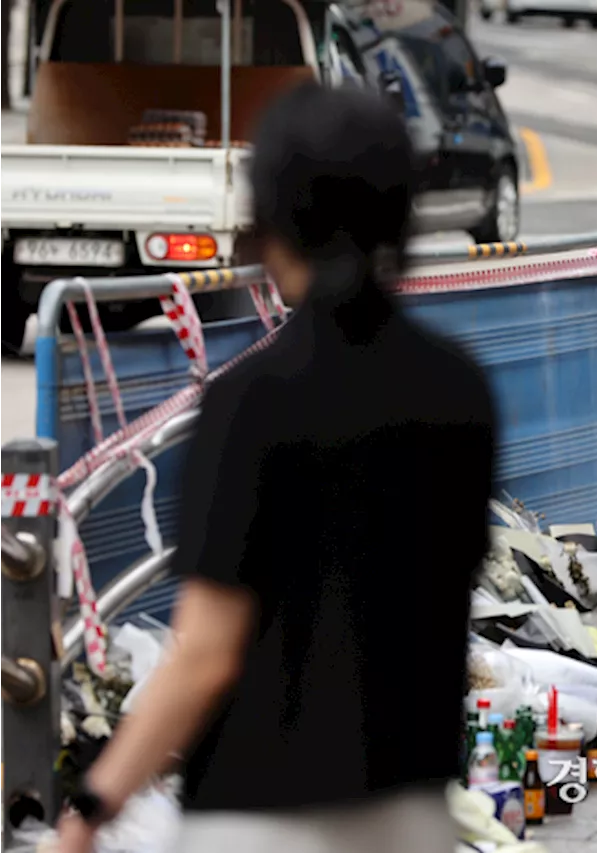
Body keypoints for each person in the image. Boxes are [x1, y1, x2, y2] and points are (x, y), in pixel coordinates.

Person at [56, 84, 495, 852]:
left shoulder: (250, 401)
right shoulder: (458, 388)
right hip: (409, 809)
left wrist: (92, 807)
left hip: (258, 815)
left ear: (274, 217)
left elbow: (206, 653)